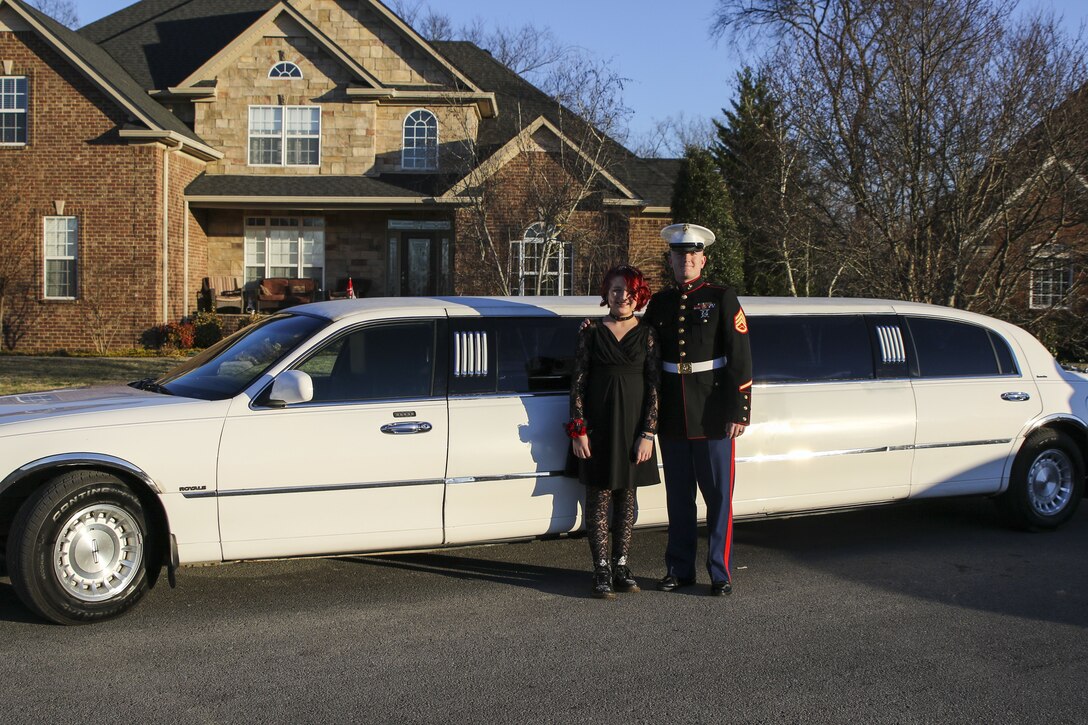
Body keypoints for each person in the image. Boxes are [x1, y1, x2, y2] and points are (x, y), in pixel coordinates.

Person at [642, 223, 752, 596]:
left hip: (713, 413)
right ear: (670, 260)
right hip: (674, 414)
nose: (685, 259)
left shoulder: (722, 297)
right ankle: (679, 569)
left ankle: (720, 573)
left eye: (692, 254)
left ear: (703, 259)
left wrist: (738, 410)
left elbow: (739, 356)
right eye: (678, 254)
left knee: (719, 499)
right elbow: (648, 357)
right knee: (679, 498)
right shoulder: (659, 303)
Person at [567, 265, 661, 599]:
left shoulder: (648, 332)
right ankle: (601, 570)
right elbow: (577, 383)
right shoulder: (590, 332)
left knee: (627, 497)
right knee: (598, 499)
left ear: (639, 296)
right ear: (606, 293)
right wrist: (578, 430)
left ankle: (622, 565)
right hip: (597, 427)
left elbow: (654, 386)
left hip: (634, 428)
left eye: (630, 291)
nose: (623, 296)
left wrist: (648, 433)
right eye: (617, 289)